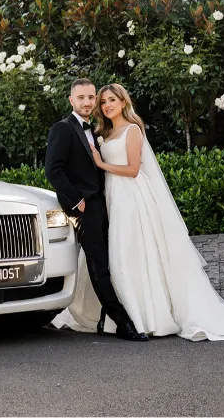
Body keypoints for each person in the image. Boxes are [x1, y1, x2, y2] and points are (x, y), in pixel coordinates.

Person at [55, 82, 224, 341]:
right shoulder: (103, 133)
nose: (105, 104)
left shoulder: (133, 130)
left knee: (132, 252)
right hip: (111, 198)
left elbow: (134, 170)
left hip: (131, 198)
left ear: (124, 102)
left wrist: (102, 163)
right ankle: (121, 316)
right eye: (103, 101)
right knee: (117, 256)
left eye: (111, 99)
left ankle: (146, 317)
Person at [44, 78, 148, 342]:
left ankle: (103, 317)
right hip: (86, 209)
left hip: (108, 204)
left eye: (92, 97)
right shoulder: (62, 128)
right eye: (81, 98)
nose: (88, 102)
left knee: (113, 262)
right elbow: (53, 170)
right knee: (98, 264)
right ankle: (123, 323)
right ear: (71, 100)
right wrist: (77, 202)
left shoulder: (98, 131)